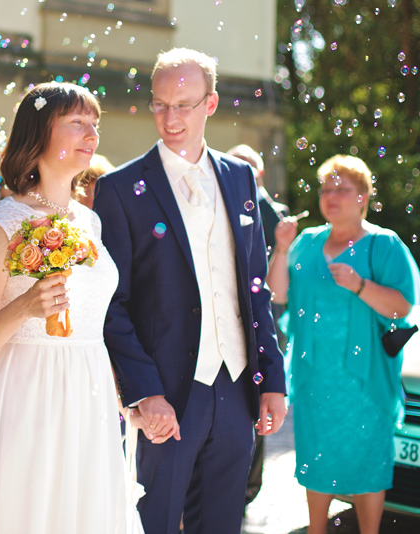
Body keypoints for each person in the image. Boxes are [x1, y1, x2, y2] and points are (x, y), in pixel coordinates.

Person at [93, 47, 287, 534]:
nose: (170, 118)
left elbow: (255, 288)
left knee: (222, 524)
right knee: (153, 523)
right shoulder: (120, 188)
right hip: (167, 394)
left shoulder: (240, 179)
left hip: (236, 387)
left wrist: (272, 377)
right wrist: (145, 392)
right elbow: (111, 305)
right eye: (160, 105)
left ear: (211, 104)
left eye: (183, 105)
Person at [0, 82, 136, 532]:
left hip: (89, 394)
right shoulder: (1, 224)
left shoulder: (90, 221)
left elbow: (94, 323)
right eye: (77, 122)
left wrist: (123, 395)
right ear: (39, 132)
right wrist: (25, 308)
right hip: (27, 395)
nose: (92, 134)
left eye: (94, 124)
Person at [267, 155, 420, 534]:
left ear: (363, 197)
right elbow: (277, 293)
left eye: (342, 189)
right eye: (326, 189)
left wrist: (359, 285)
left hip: (366, 381)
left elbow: (402, 306)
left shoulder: (384, 244)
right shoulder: (306, 242)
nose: (331, 196)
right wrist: (282, 248)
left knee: (368, 462)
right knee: (317, 459)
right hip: (314, 378)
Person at [227, 143, 290, 507]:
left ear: (260, 173)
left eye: (246, 167)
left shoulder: (276, 214)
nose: (238, 173)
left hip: (264, 319)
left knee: (259, 403)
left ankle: (248, 489)